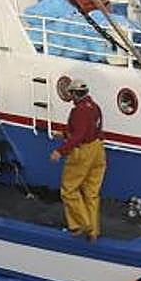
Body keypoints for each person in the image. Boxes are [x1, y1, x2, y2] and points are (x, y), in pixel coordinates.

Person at [49, 79, 105, 240]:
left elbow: (79, 135)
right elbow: (90, 129)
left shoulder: (78, 111)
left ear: (74, 93)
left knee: (69, 190)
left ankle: (81, 224)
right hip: (98, 149)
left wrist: (60, 151)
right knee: (91, 193)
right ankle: (93, 232)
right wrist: (65, 133)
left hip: (83, 152)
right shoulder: (95, 107)